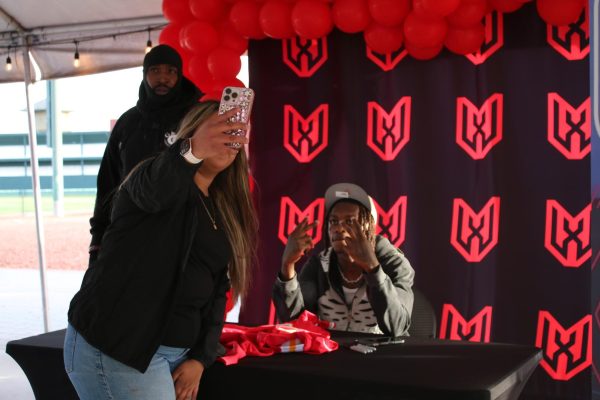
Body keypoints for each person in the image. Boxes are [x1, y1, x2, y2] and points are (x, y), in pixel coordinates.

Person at [64, 101, 258, 400]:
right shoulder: (154, 176)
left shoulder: (219, 207)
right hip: (120, 349)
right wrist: (192, 149)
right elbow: (155, 188)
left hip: (171, 356)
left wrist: (200, 358)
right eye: (218, 130)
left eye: (234, 132)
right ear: (192, 132)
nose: (227, 139)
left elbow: (218, 288)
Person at [88, 44, 202, 261]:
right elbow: (107, 183)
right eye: (155, 71)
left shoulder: (195, 119)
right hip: (130, 232)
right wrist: (98, 239)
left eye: (170, 71)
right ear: (144, 75)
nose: (163, 78)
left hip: (184, 235)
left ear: (179, 76)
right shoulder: (127, 123)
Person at [272, 183, 414, 336]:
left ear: (369, 227)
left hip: (379, 357)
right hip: (331, 355)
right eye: (333, 221)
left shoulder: (394, 264)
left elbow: (397, 327)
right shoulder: (319, 265)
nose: (339, 228)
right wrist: (287, 266)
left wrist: (373, 269)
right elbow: (293, 324)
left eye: (350, 221)